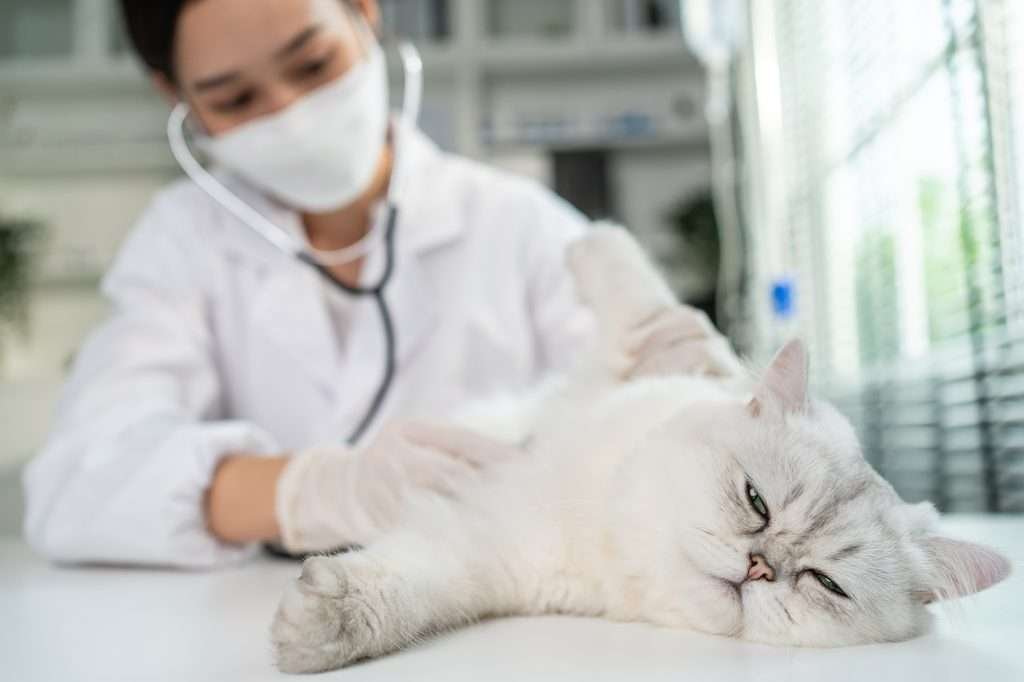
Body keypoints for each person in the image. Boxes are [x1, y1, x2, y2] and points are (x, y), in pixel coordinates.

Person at [22, 0, 735, 568]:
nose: (288, 115)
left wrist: (692, 409)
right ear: (175, 97)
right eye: (234, 98)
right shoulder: (181, 240)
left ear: (365, 12)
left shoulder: (518, 225)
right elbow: (76, 486)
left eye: (312, 63)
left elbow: (650, 440)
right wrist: (317, 493)